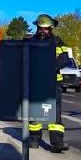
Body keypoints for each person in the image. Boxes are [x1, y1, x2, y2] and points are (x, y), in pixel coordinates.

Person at [26, 14, 72, 153]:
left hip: (52, 83)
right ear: (37, 28)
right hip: (35, 83)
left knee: (55, 113)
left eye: (46, 29)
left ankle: (57, 143)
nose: (43, 31)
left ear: (51, 29)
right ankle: (34, 139)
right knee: (35, 111)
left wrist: (52, 66)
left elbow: (65, 59)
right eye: (41, 28)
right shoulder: (31, 42)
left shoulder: (58, 42)